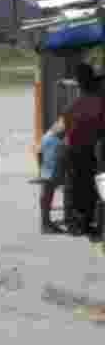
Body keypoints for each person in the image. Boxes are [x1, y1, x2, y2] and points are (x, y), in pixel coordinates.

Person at [61, 62, 105, 235]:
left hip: (75, 147)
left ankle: (77, 223)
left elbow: (66, 118)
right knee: (87, 186)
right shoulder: (96, 101)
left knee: (76, 185)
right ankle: (84, 222)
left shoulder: (78, 102)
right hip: (87, 148)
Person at [39, 117, 68, 234]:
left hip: (46, 168)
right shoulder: (55, 140)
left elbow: (39, 153)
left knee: (47, 193)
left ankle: (46, 223)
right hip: (51, 168)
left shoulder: (47, 136)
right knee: (47, 193)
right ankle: (45, 224)